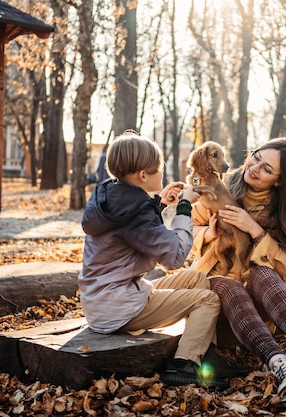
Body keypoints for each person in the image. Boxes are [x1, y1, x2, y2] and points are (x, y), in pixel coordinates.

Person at [78, 131, 245, 389]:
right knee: (208, 299)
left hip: (103, 298)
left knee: (198, 277)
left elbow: (134, 231)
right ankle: (184, 365)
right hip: (118, 308)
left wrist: (157, 204)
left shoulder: (110, 194)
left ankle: (204, 353)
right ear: (143, 176)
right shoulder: (137, 214)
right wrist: (184, 207)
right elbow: (174, 257)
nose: (162, 175)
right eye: (159, 170)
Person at [189, 137, 286, 397]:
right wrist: (207, 233)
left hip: (262, 297)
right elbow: (190, 208)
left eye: (266, 169)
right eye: (256, 157)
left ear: (280, 180)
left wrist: (255, 230)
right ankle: (280, 364)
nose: (254, 167)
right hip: (216, 286)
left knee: (261, 273)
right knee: (229, 287)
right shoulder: (224, 180)